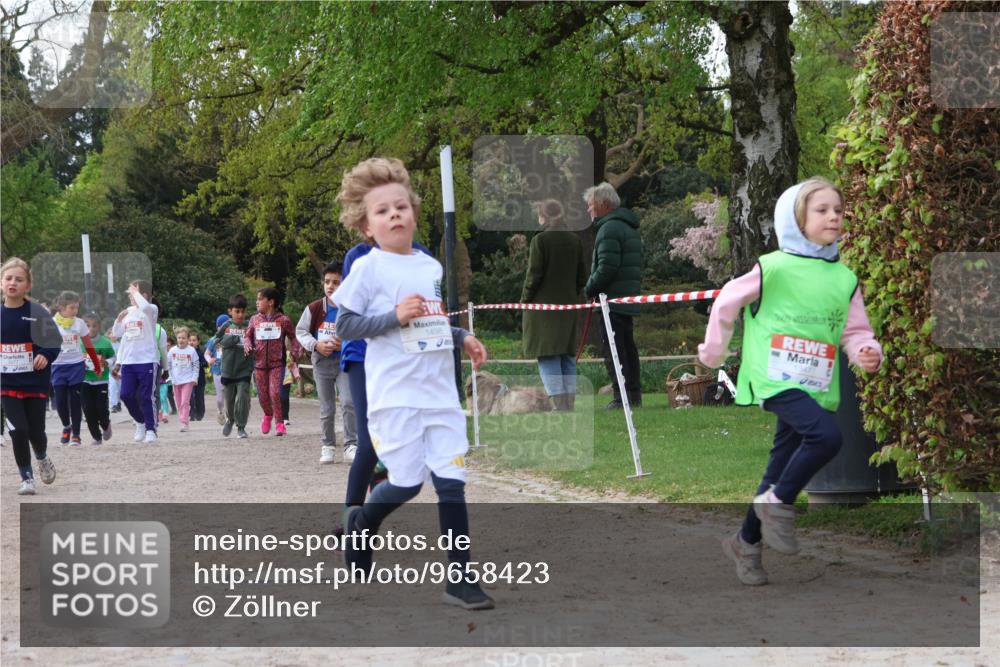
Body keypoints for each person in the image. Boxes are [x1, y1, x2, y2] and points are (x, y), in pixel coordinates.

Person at [698, 177, 883, 586]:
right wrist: (715, 351)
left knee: (780, 465)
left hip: (815, 381)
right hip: (776, 376)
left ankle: (745, 543)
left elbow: (856, 332)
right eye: (821, 210)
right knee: (827, 438)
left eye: (838, 209)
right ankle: (778, 503)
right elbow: (727, 300)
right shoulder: (774, 266)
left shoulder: (844, 278)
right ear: (795, 218)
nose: (833, 216)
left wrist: (867, 351)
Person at [333, 157, 493, 610]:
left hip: (439, 393)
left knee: (451, 481)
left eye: (401, 207)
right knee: (406, 483)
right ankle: (362, 520)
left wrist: (463, 337)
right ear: (367, 226)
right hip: (395, 396)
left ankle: (460, 579)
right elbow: (344, 325)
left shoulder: (429, 266)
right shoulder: (368, 268)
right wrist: (392, 318)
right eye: (382, 211)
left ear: (414, 214)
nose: (394, 215)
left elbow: (432, 321)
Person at [1, 258, 61, 495]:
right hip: (7, 383)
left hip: (35, 382)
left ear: (28, 285)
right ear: (1, 283)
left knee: (36, 431)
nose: (12, 283)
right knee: (18, 430)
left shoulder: (37, 312)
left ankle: (42, 457)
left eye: (19, 279)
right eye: (8, 278)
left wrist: (45, 355)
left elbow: (54, 342)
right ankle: (26, 477)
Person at [521, 199, 587, 412]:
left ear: (544, 216)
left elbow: (534, 275)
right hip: (568, 306)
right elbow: (581, 277)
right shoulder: (574, 240)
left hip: (543, 309)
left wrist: (524, 300)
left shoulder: (540, 240)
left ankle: (559, 405)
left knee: (548, 353)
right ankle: (569, 403)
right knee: (566, 354)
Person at [583, 182, 643, 409]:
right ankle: (633, 395)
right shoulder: (627, 226)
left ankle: (622, 398)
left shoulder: (608, 229)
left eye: (591, 205)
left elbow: (607, 267)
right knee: (628, 348)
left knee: (615, 351)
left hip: (612, 301)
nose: (589, 210)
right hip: (625, 298)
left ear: (604, 204)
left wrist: (589, 288)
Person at [296, 261, 358, 464]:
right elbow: (301, 331)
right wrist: (316, 345)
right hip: (321, 362)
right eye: (327, 282)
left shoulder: (353, 309)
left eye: (336, 283)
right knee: (327, 406)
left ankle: (351, 445)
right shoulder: (314, 308)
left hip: (344, 361)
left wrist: (347, 343)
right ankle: (328, 445)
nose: (330, 286)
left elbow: (362, 332)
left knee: (348, 402)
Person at [243, 288, 301, 436]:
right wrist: (247, 345)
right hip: (259, 364)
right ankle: (268, 415)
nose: (257, 302)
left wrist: (294, 353)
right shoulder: (254, 319)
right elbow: (247, 336)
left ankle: (280, 424)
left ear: (271, 302)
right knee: (262, 396)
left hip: (277, 364)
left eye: (260, 299)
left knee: (275, 393)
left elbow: (294, 338)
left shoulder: (283, 320)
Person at [50, 291, 103, 446]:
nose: (75, 311)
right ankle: (66, 426)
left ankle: (77, 435)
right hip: (58, 366)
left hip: (76, 366)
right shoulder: (51, 323)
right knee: (60, 402)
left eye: (77, 307)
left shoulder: (79, 323)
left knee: (75, 401)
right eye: (72, 308)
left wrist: (96, 364)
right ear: (61, 307)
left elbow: (88, 345)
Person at [111, 280, 161, 443]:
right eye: (130, 293)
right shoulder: (128, 311)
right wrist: (118, 320)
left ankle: (151, 430)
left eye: (134, 293)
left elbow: (145, 306)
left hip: (147, 360)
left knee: (146, 396)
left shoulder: (151, 309)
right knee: (126, 395)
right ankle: (140, 422)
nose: (130, 296)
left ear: (144, 295)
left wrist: (136, 292)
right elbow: (116, 334)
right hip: (129, 362)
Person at [213, 295, 253, 438]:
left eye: (243, 311)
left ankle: (241, 427)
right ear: (230, 311)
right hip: (228, 370)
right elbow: (217, 341)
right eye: (237, 311)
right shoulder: (226, 326)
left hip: (245, 369)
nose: (240, 315)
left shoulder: (250, 325)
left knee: (242, 397)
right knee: (229, 401)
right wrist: (233, 338)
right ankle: (230, 420)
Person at [81, 313, 115, 446]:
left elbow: (113, 357)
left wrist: (107, 362)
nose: (91, 329)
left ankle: (106, 425)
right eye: (88, 326)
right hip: (85, 380)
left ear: (99, 326)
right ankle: (96, 436)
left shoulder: (105, 342)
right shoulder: (79, 342)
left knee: (101, 408)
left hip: (101, 381)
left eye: (94, 326)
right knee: (88, 410)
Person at [167, 327, 201, 432]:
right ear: (176, 339)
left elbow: (196, 365)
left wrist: (195, 378)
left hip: (188, 380)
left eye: (184, 338)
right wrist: (171, 377)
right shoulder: (172, 351)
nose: (181, 340)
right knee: (179, 402)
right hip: (176, 381)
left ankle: (184, 422)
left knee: (185, 402)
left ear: (187, 339)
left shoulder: (192, 351)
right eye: (179, 338)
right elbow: (169, 365)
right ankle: (184, 419)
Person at [204, 315, 227, 425]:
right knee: (220, 398)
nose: (223, 328)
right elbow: (206, 353)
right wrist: (209, 360)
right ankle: (220, 411)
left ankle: (229, 416)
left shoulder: (233, 338)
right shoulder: (213, 340)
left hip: (230, 371)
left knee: (230, 395)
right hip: (217, 371)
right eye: (220, 326)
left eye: (226, 326)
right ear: (217, 327)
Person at [189, 332, 208, 421]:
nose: (191, 342)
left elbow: (205, 364)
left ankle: (200, 414)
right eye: (190, 340)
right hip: (188, 378)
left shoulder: (200, 353)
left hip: (199, 379)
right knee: (190, 397)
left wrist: (198, 363)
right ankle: (191, 414)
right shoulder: (186, 352)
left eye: (194, 340)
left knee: (199, 396)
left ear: (198, 342)